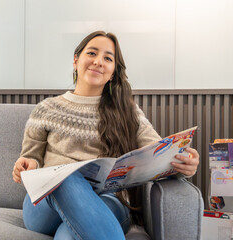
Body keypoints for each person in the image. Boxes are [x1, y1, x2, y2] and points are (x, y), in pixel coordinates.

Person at [12, 31, 199, 240]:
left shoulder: (128, 112)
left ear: (112, 73)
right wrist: (26, 165)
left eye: (108, 58)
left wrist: (184, 163)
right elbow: (31, 158)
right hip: (44, 205)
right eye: (92, 53)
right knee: (64, 176)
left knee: (67, 234)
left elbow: (159, 152)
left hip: (108, 201)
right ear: (76, 61)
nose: (98, 62)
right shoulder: (46, 109)